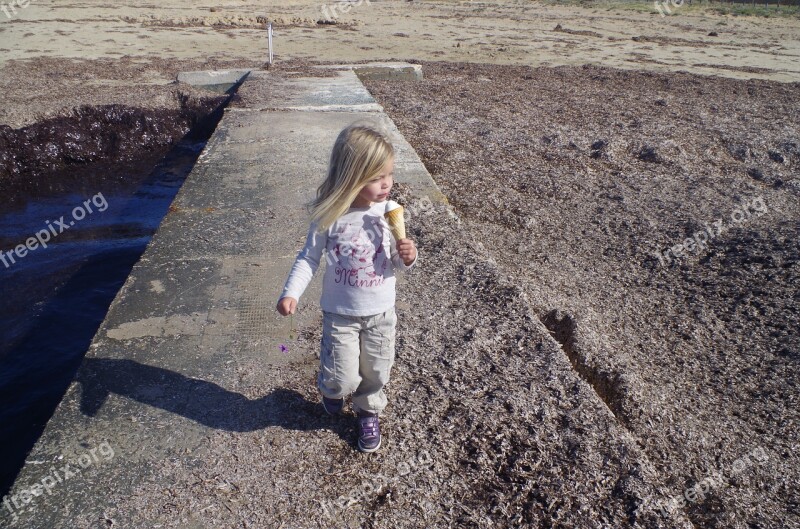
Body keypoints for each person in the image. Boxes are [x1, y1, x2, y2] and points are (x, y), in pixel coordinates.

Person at [276, 121, 417, 453]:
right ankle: (331, 388)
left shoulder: (388, 213)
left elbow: (396, 262)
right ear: (351, 176)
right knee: (343, 378)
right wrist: (290, 292)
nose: (387, 184)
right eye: (376, 178)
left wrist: (407, 256)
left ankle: (368, 411)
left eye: (389, 175)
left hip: (381, 311)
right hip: (340, 313)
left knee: (377, 370)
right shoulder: (330, 216)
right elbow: (309, 258)